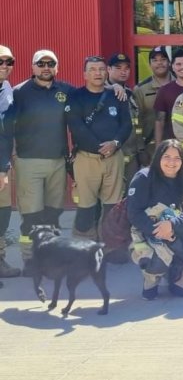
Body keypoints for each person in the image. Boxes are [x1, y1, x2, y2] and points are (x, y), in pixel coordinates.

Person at [9, 50, 74, 273]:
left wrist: (113, 87)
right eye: (41, 63)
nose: (46, 67)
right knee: (31, 215)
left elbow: (90, 95)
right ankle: (30, 260)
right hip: (28, 162)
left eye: (51, 63)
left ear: (57, 67)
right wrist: (13, 153)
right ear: (32, 66)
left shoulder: (65, 90)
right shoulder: (19, 92)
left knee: (52, 214)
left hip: (57, 161)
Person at [65, 56, 132, 240]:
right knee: (86, 205)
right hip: (86, 158)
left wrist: (115, 144)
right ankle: (84, 245)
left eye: (101, 69)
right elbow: (77, 128)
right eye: (93, 69)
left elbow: (126, 125)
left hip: (114, 158)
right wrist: (100, 148)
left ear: (107, 72)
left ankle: (112, 245)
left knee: (114, 205)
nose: (98, 73)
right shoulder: (76, 96)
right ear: (85, 74)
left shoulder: (118, 94)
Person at [126, 139, 183, 299]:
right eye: (166, 157)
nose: (171, 162)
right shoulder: (143, 178)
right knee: (160, 255)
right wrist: (160, 231)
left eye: (177, 158)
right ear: (158, 158)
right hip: (150, 235)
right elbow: (134, 212)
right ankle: (151, 279)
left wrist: (172, 225)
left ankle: (174, 269)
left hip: (180, 236)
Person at [106, 53, 143, 183]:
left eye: (126, 68)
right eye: (118, 67)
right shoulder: (100, 92)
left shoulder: (130, 93)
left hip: (132, 156)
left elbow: (136, 124)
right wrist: (110, 88)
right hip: (110, 156)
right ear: (108, 69)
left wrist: (141, 150)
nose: (123, 71)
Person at [133, 46, 173, 165]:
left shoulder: (180, 84)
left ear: (169, 62)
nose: (159, 63)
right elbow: (136, 121)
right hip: (151, 149)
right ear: (150, 64)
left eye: (163, 59)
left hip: (178, 146)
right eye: (155, 60)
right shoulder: (141, 89)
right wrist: (140, 149)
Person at [153, 49, 183, 144]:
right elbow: (159, 121)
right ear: (172, 67)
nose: (182, 67)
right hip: (174, 146)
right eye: (178, 64)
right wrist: (158, 147)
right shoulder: (164, 91)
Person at [0, 46, 17, 278]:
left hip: (3, 163)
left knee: (3, 213)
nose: (4, 66)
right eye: (0, 61)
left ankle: (1, 261)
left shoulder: (7, 88)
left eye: (9, 61)